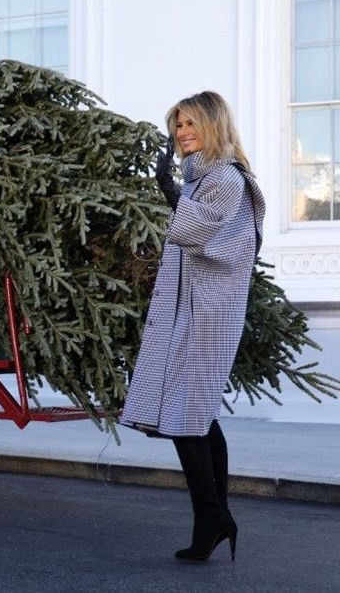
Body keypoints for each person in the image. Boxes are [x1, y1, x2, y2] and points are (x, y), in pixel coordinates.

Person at [120, 91, 265, 562]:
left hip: (207, 313)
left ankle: (213, 517)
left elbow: (209, 241)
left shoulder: (223, 177)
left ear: (213, 125)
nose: (182, 133)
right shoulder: (204, 176)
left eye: (190, 124)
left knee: (186, 415)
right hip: (194, 308)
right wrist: (180, 193)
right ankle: (213, 521)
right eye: (177, 125)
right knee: (199, 415)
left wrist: (174, 196)